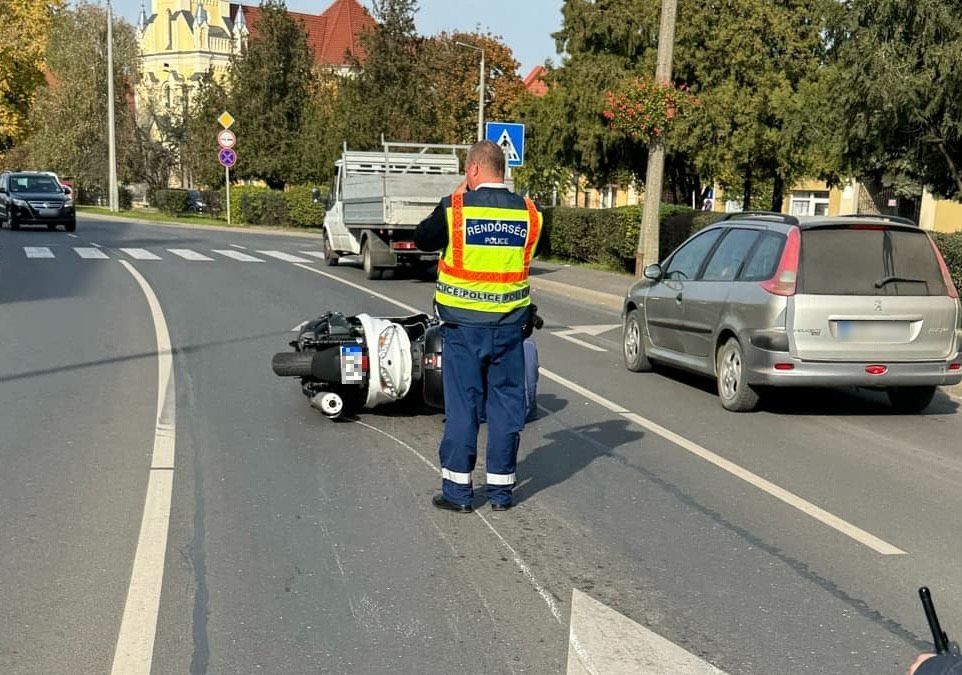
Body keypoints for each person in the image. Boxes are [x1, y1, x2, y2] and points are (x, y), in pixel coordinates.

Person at [414, 140, 542, 513]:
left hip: (462, 332)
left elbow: (422, 239)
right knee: (504, 409)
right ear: (502, 170)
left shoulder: (455, 209)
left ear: (472, 171)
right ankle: (501, 494)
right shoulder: (530, 214)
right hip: (509, 330)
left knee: (464, 409)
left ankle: (458, 493)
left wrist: (453, 198)